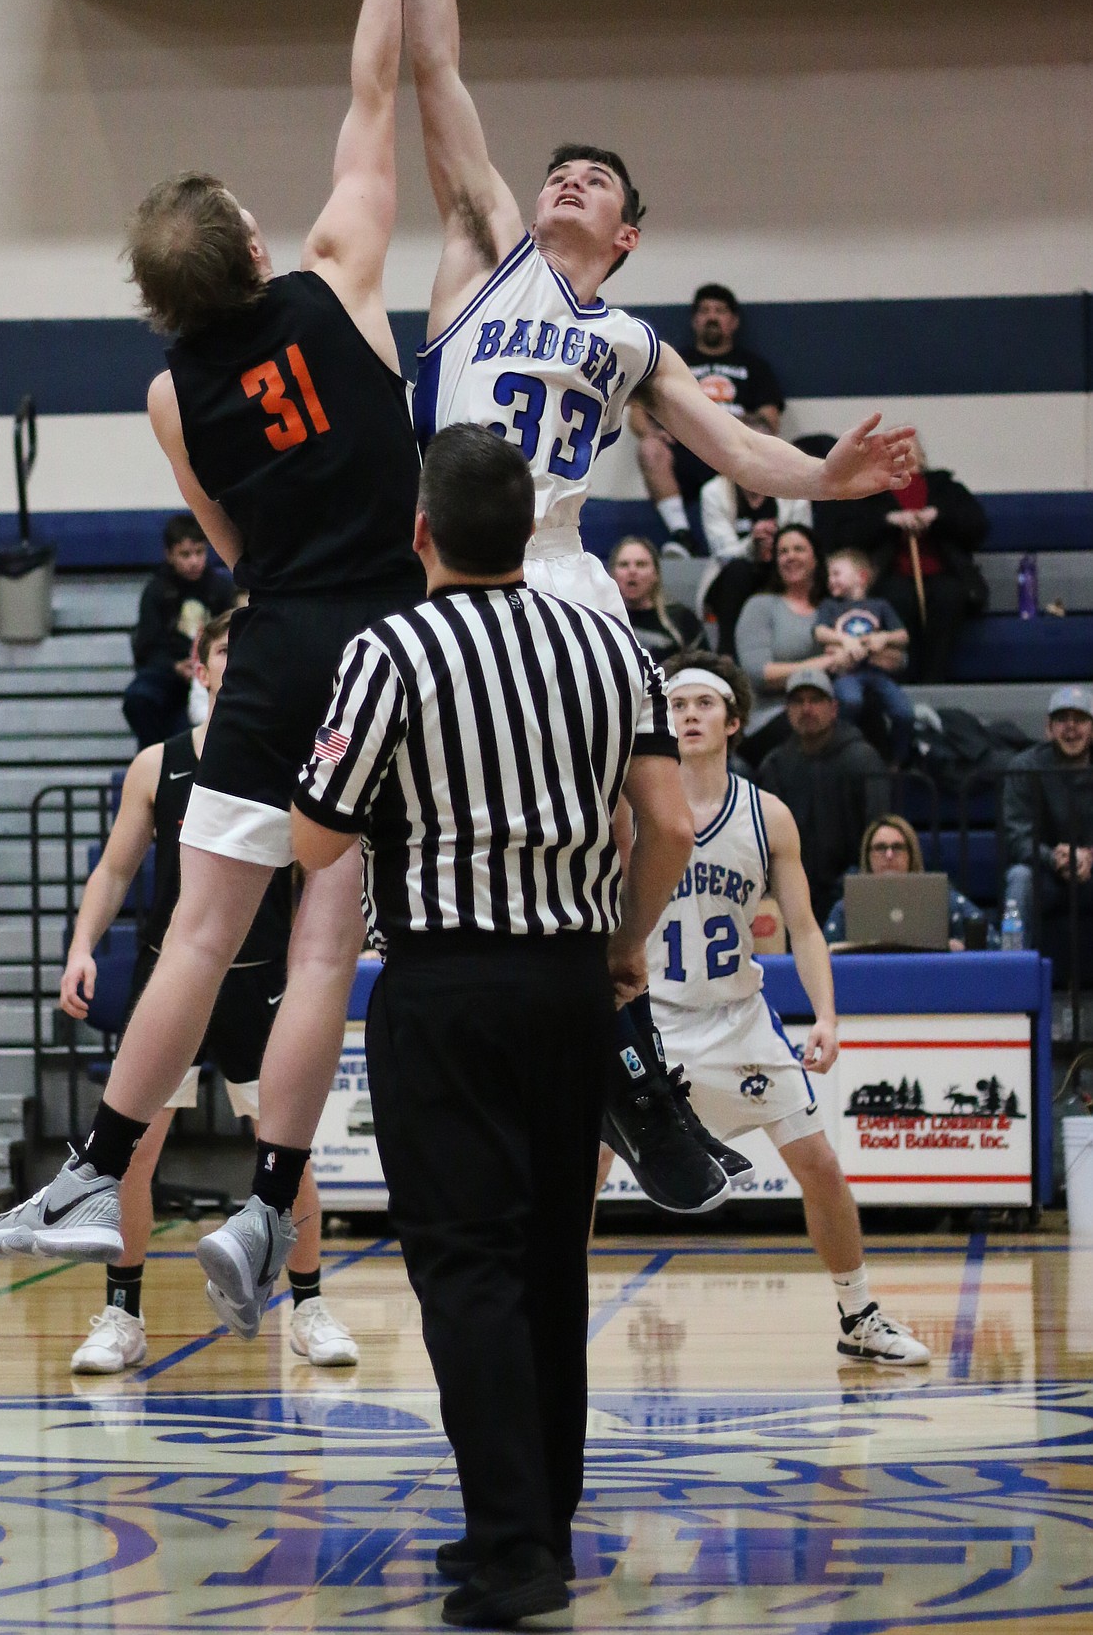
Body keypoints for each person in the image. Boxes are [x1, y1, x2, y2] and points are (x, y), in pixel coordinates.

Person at [402, 0, 915, 1200]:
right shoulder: (483, 251)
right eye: (558, 170)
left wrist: (817, 479)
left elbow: (730, 441)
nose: (565, 180)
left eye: (594, 181)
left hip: (562, 571)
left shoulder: (631, 340)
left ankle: (629, 1047)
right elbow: (436, 70)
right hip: (451, 569)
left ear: (627, 233)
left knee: (667, 826)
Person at [0, 0, 440, 1276]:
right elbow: (373, 90)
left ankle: (98, 1165)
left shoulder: (172, 391)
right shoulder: (339, 275)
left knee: (194, 934)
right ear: (249, 248)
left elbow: (229, 541)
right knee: (322, 947)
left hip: (282, 635)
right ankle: (265, 1203)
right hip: (394, 642)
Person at [289, 426, 695, 1627]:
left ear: (421, 531)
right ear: (525, 530)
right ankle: (537, 1526)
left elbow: (319, 836)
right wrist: (624, 940)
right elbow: (666, 824)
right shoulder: (606, 638)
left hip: (447, 986)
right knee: (543, 1262)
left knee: (464, 1263)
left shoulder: (392, 648)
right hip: (573, 982)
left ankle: (514, 1547)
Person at [55, 611, 356, 1374]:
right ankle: (122, 1315)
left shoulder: (300, 765)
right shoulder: (158, 765)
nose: (241, 662)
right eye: (228, 651)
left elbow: (324, 878)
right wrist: (83, 946)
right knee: (131, 1156)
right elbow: (115, 869)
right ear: (202, 668)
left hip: (260, 989)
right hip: (173, 981)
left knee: (289, 1156)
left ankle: (311, 1305)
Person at [631, 651, 928, 1366]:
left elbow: (802, 927)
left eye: (704, 704)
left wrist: (825, 1015)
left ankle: (858, 1315)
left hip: (738, 1022)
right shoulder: (629, 807)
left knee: (821, 1164)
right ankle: (550, 1319)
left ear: (733, 721)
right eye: (677, 706)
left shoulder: (768, 816)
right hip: (651, 1022)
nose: (689, 715)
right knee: (578, 1168)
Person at [628, 282, 787, 556]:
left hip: (734, 452)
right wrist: (654, 432)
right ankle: (682, 535)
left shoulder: (753, 366)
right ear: (694, 320)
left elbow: (770, 422)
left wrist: (729, 424)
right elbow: (637, 415)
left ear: (734, 321)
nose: (712, 316)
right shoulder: (674, 361)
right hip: (686, 452)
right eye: (704, 310)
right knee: (649, 448)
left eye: (720, 310)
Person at [834, 437, 989, 681]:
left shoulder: (944, 487)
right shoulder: (872, 489)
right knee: (897, 600)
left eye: (908, 447)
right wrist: (889, 520)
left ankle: (935, 681)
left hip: (943, 574)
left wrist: (937, 516)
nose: (902, 452)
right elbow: (847, 534)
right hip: (891, 575)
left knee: (949, 597)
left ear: (922, 456)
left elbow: (977, 525)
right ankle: (906, 679)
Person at [758, 668, 889, 925]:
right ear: (787, 711)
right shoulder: (774, 765)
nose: (806, 709)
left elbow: (879, 828)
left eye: (815, 700)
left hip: (852, 891)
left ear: (834, 708)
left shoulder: (863, 760)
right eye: (798, 701)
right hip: (790, 891)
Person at [700, 419, 812, 655]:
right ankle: (727, 654)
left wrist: (779, 543)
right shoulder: (714, 492)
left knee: (794, 564)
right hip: (732, 575)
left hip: (780, 567)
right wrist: (753, 542)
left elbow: (804, 539)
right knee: (737, 571)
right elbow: (722, 552)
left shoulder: (795, 487)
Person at [122, 512, 234, 749]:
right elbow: (146, 646)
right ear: (169, 555)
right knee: (138, 699)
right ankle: (155, 759)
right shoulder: (156, 591)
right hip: (167, 674)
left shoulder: (222, 589)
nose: (194, 561)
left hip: (210, 676)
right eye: (185, 554)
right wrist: (174, 667)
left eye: (199, 552)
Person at [1004, 686, 1093, 970]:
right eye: (1061, 720)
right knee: (1019, 879)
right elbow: (1017, 836)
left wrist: (1090, 856)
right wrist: (1054, 857)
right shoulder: (1024, 766)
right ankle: (1012, 973)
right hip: (1046, 873)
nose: (1071, 728)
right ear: (1048, 728)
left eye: (1079, 719)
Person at [733, 523, 832, 764]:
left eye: (798, 549)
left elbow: (896, 659)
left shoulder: (834, 608)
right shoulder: (760, 606)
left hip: (828, 713)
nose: (790, 557)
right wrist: (829, 662)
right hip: (768, 718)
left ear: (816, 559)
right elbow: (759, 673)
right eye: (783, 552)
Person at [823, 812, 994, 951]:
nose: (889, 855)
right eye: (880, 848)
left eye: (897, 848)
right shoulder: (847, 907)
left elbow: (992, 940)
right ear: (867, 856)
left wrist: (959, 947)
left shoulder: (942, 899)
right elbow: (821, 955)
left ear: (911, 855)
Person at [814, 547, 914, 764]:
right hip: (847, 673)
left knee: (904, 712)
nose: (830, 580)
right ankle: (839, 750)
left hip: (878, 672)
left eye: (836, 573)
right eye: (829, 575)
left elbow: (903, 635)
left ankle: (897, 762)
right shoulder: (830, 606)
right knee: (850, 701)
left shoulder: (880, 605)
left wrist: (884, 638)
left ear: (861, 577)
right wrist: (844, 641)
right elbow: (820, 632)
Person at [608, 535, 702, 667]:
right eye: (624, 565)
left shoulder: (682, 619)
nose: (632, 571)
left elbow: (703, 670)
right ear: (612, 574)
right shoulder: (599, 621)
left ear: (656, 574)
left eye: (641, 564)